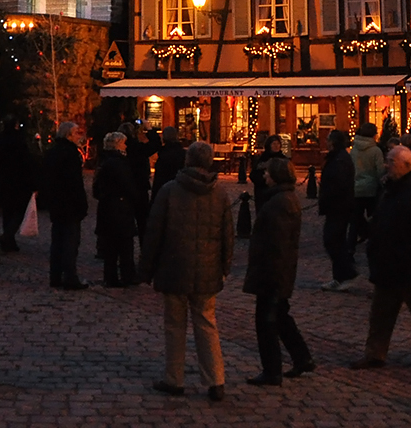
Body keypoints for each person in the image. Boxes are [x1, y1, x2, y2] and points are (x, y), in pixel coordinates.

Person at [141, 140, 233, 402]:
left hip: (173, 267)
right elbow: (228, 235)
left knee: (175, 325)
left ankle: (174, 377)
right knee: (206, 324)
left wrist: (146, 269)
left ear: (187, 161)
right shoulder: (220, 193)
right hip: (207, 270)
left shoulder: (170, 191)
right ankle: (216, 380)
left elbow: (154, 232)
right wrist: (225, 267)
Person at [349, 146, 411, 371]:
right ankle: (375, 353)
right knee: (380, 313)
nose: (386, 165)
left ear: (406, 166)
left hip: (408, 265)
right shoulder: (390, 189)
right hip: (387, 262)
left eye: (391, 161)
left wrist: (405, 256)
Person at [243, 157, 314, 386]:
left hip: (273, 272)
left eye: (267, 174)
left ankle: (272, 370)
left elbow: (276, 244)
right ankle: (302, 357)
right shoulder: (282, 199)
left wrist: (269, 275)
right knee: (281, 316)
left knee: (266, 321)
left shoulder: (279, 203)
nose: (264, 177)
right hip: (277, 270)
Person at [42, 121, 90, 290]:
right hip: (69, 204)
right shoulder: (70, 154)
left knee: (58, 241)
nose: (80, 136)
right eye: (77, 133)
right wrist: (81, 204)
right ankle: (70, 276)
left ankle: (55, 276)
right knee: (70, 242)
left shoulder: (53, 152)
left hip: (57, 203)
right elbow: (74, 183)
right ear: (68, 135)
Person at [93, 131, 143, 287]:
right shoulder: (118, 163)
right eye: (123, 143)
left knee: (111, 246)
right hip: (120, 208)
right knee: (124, 245)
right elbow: (127, 186)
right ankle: (126, 275)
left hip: (108, 207)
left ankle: (111, 276)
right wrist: (135, 198)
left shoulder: (104, 161)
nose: (126, 146)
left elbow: (97, 188)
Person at [318, 130, 357, 291]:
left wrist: (328, 193)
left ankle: (347, 273)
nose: (326, 142)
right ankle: (339, 276)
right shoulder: (338, 157)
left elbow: (340, 184)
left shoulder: (340, 159)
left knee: (333, 240)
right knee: (335, 240)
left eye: (328, 139)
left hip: (339, 206)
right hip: (337, 206)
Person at [0, 118, 37, 253]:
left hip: (6, 179)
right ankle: (8, 236)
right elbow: (26, 160)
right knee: (19, 210)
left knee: (8, 211)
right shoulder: (19, 140)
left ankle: (9, 238)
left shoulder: (1, 139)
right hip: (19, 180)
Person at [349, 122, 384, 249]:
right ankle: (374, 243)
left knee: (355, 220)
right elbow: (380, 170)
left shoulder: (354, 149)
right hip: (371, 189)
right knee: (374, 218)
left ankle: (350, 246)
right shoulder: (375, 150)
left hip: (356, 187)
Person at [252, 134, 285, 212]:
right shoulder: (263, 158)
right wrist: (264, 179)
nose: (276, 146)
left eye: (278, 144)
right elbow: (254, 175)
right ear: (269, 145)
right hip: (263, 193)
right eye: (274, 144)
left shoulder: (283, 159)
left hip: (279, 192)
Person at [151, 126, 185, 201]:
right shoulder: (183, 154)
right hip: (180, 193)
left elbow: (158, 181)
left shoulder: (163, 155)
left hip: (164, 193)